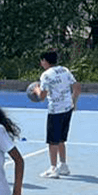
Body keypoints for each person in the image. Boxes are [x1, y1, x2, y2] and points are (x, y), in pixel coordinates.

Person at [30, 49, 80, 178]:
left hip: (55, 110)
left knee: (53, 141)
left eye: (42, 61)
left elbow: (42, 96)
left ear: (45, 61)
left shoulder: (46, 75)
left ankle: (53, 168)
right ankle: (63, 165)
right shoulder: (65, 70)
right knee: (61, 139)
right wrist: (74, 101)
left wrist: (36, 89)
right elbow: (77, 87)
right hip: (67, 107)